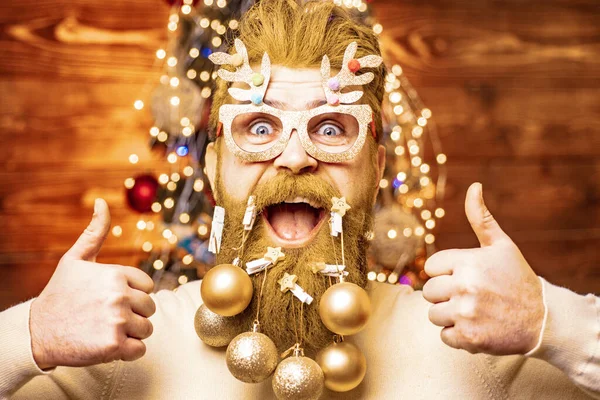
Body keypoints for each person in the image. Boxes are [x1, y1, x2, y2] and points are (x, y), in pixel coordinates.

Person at [1, 1, 598, 399]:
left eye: (332, 129)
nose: (293, 158)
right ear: (212, 170)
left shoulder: (479, 349)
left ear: (376, 167)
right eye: (258, 129)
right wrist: (29, 334)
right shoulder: (123, 351)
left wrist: (554, 321)